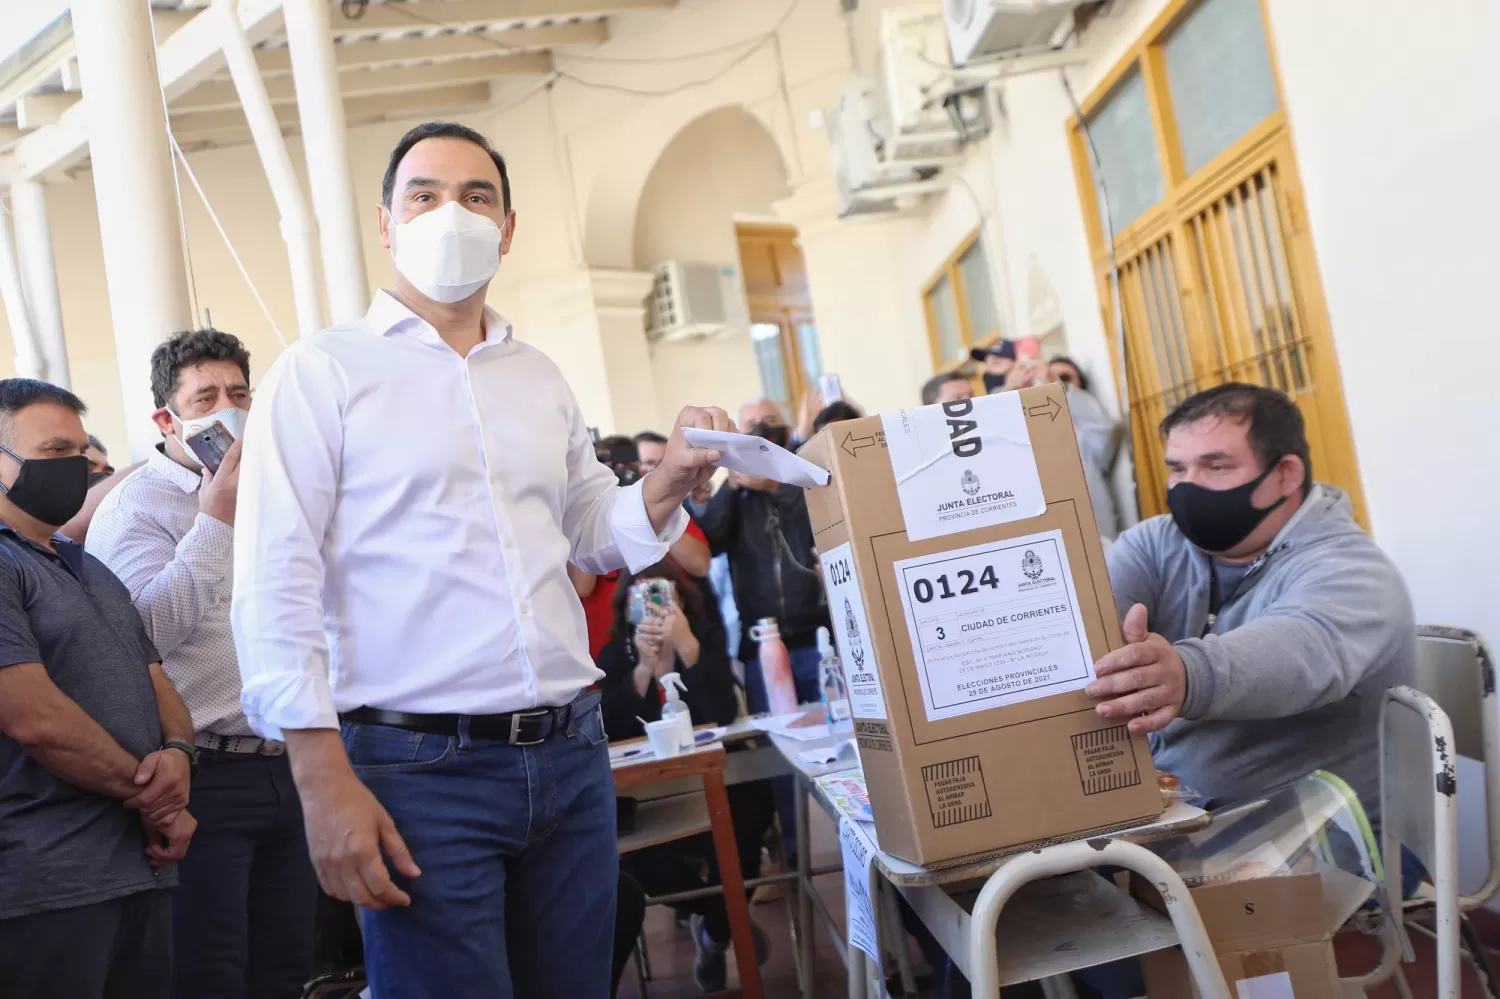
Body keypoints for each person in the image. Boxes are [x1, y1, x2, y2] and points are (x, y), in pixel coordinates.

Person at [231, 119, 732, 999]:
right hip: (417, 770)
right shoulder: (323, 374)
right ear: (385, 224)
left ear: (507, 227)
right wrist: (320, 778)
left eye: (476, 195)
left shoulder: (534, 375)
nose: (450, 213)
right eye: (423, 194)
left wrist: (667, 483)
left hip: (569, 756)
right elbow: (275, 578)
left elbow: (585, 527)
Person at [87, 330, 317, 999]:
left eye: (240, 393)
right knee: (210, 971)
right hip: (206, 773)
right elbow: (144, 634)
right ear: (168, 418)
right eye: (207, 396)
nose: (230, 408)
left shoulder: (275, 490)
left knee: (286, 968)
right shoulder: (137, 506)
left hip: (290, 759)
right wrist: (213, 519)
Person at [1088, 383, 1415, 822]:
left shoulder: (1353, 570)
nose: (1188, 488)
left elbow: (1305, 648)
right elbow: (1086, 621)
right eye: (1177, 469)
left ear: (1286, 474)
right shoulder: (1157, 543)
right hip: (1177, 822)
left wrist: (1184, 674)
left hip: (1322, 851)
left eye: (1215, 467)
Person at [0, 379, 197, 999]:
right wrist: (155, 797)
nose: (79, 467)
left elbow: (155, 676)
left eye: (82, 452)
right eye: (56, 450)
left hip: (138, 867)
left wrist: (179, 751)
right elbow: (35, 718)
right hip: (45, 875)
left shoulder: (87, 564)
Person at [597, 560, 772, 992]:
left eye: (662, 594)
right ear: (625, 606)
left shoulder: (704, 637)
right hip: (650, 795)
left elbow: (723, 715)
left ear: (681, 598)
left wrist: (689, 649)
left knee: (754, 806)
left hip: (715, 781)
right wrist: (642, 669)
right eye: (641, 597)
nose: (653, 606)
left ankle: (715, 933)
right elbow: (613, 729)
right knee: (644, 865)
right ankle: (723, 920)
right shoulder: (613, 654)